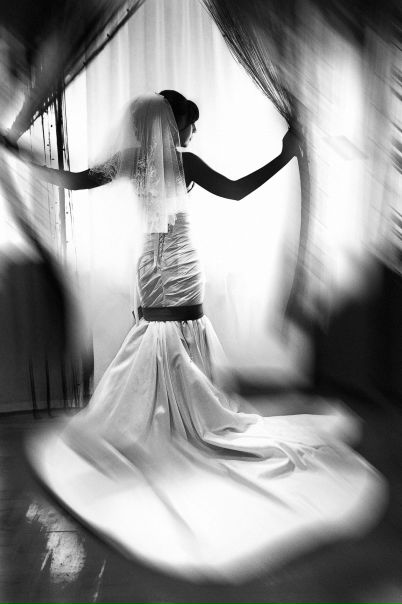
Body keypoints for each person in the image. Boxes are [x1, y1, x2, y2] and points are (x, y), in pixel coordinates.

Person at [3, 91, 385, 580]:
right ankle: (177, 420)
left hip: (154, 262)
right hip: (180, 262)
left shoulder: (132, 160)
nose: (191, 133)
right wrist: (285, 157)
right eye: (189, 123)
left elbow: (76, 181)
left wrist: (27, 159)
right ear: (173, 121)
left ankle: (165, 419)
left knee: (162, 332)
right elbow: (237, 191)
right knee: (171, 331)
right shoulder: (184, 163)